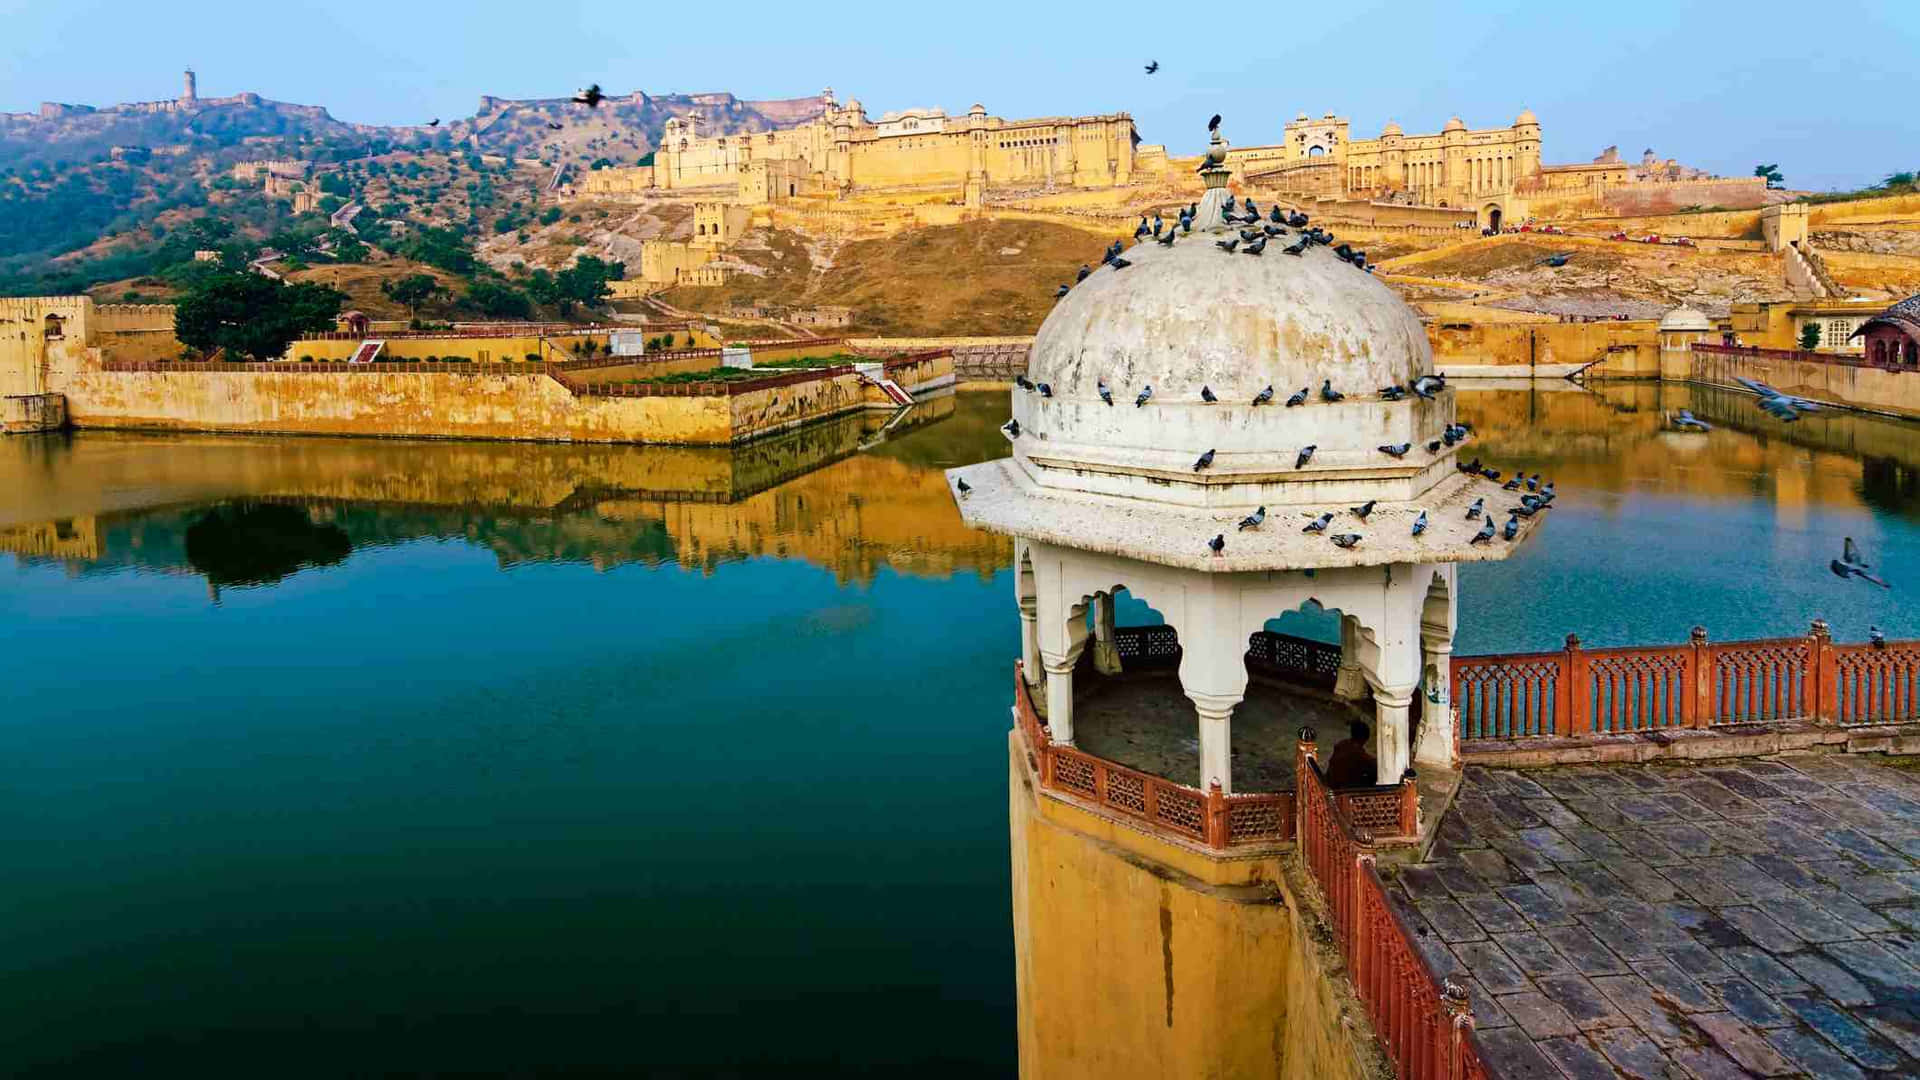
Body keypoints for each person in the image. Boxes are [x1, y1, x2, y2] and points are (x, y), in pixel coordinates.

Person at [1323, 719, 1378, 788]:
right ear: (1365, 738)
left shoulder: (1342, 744)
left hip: (1331, 781)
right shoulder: (1356, 753)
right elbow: (1371, 764)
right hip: (1341, 788)